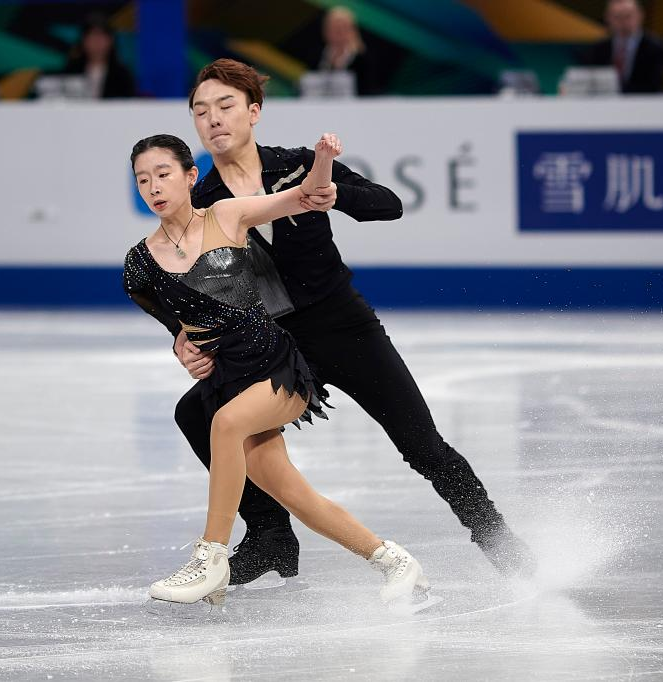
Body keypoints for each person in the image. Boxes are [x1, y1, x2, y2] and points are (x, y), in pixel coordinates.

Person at [174, 58, 534, 589]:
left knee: (423, 446)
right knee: (197, 411)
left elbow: (389, 205)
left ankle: (500, 543)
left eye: (225, 106)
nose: (214, 120)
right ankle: (272, 536)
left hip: (345, 328)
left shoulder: (299, 166)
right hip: (275, 346)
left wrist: (337, 194)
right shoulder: (201, 204)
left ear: (253, 112)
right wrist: (183, 342)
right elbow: (194, 293)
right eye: (201, 112)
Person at [124, 132, 432, 608]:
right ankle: (393, 561)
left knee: (224, 426)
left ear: (189, 177)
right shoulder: (139, 264)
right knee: (294, 493)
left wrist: (324, 162)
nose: (154, 187)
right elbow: (180, 327)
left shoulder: (225, 214)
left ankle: (211, 559)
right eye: (143, 180)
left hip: (276, 368)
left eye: (163, 174)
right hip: (226, 380)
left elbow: (305, 196)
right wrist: (182, 349)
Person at [581, 0, 663, 94]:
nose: (623, 22)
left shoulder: (654, 47)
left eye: (628, 16)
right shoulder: (598, 49)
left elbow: (655, 85)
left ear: (640, 15)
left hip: (644, 103)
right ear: (607, 18)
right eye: (617, 17)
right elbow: (589, 81)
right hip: (606, 105)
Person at [310, 6, 382, 96]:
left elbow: (370, 91)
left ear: (352, 31)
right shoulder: (316, 56)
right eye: (335, 28)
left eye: (343, 28)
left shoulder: (363, 59)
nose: (339, 32)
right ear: (326, 31)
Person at [62, 14, 135, 99]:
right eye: (92, 36)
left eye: (101, 37)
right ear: (83, 41)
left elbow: (128, 105)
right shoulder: (72, 69)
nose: (97, 42)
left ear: (111, 41)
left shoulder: (122, 74)